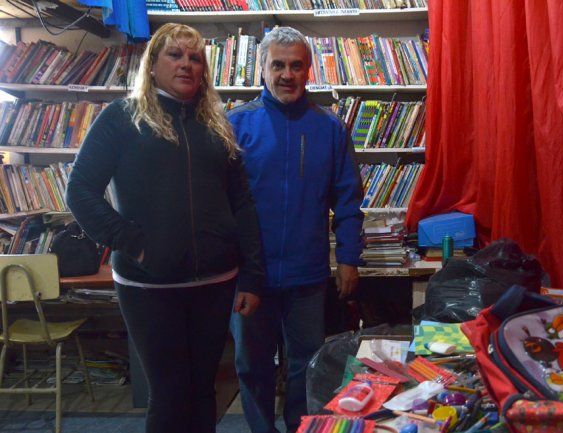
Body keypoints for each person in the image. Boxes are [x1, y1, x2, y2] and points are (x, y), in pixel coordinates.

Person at [65, 23, 264, 433]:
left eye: (195, 58)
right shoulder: (122, 118)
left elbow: (242, 204)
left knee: (203, 391)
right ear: (152, 65)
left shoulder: (217, 125)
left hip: (216, 281)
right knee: (169, 394)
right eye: (175, 55)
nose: (186, 64)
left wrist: (252, 275)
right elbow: (80, 191)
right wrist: (133, 244)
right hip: (149, 287)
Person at [227, 26, 364, 433]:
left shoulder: (330, 129)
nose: (287, 74)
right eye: (278, 65)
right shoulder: (234, 126)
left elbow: (348, 201)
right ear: (263, 69)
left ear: (309, 71)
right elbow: (218, 205)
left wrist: (349, 259)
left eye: (296, 66)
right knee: (252, 365)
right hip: (251, 277)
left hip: (307, 276)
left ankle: (300, 428)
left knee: (308, 364)